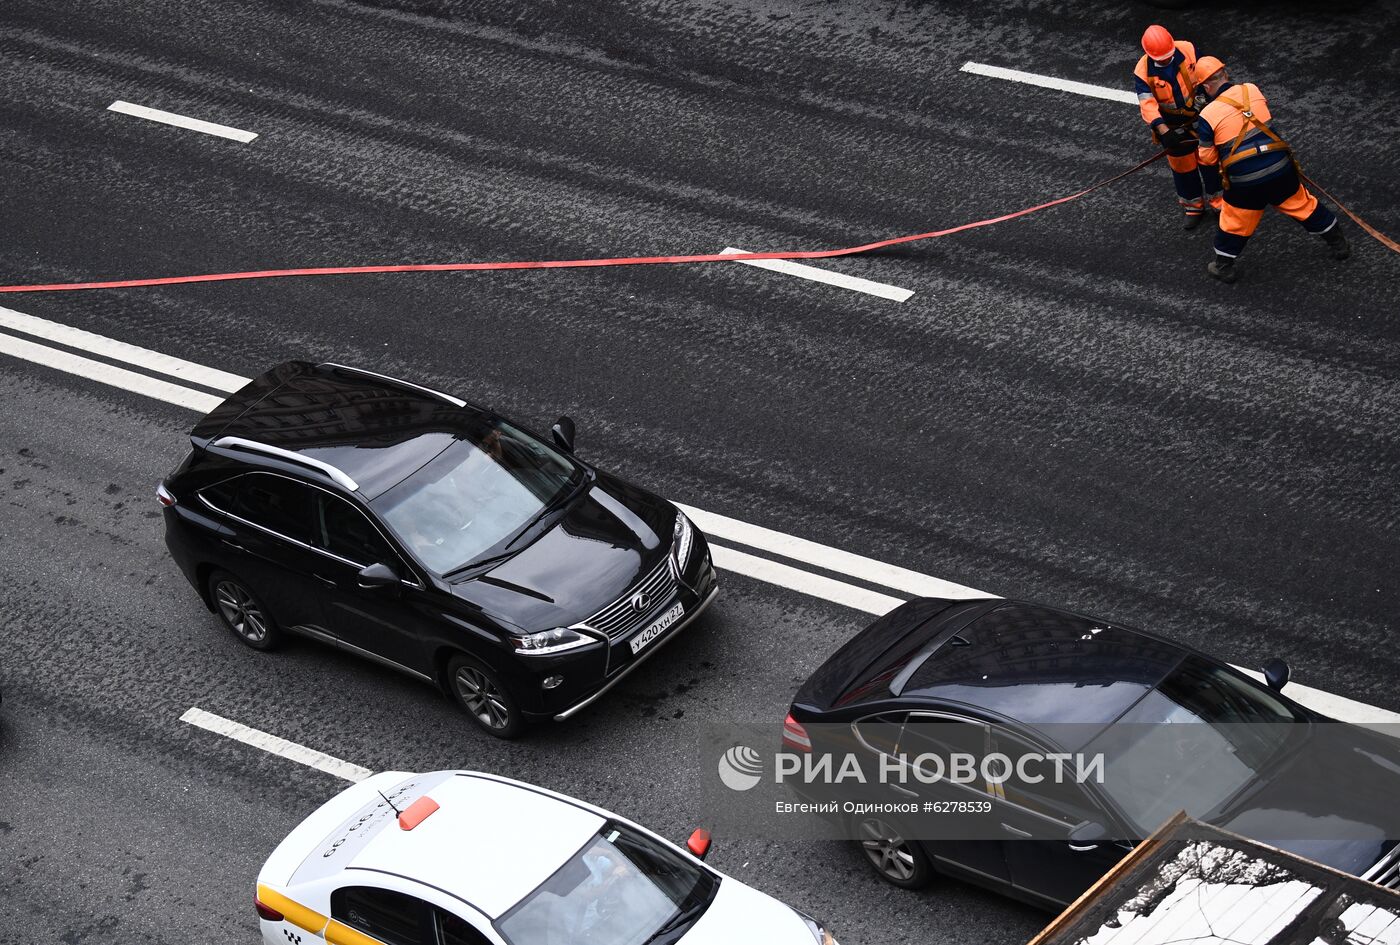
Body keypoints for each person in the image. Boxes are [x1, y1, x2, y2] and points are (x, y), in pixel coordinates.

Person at [1192, 56, 1350, 283]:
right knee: (1303, 205)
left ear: (1205, 87)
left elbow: (1207, 159)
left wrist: (1214, 187)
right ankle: (1338, 243)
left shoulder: (1207, 115)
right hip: (1279, 169)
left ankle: (1223, 266)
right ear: (1225, 74)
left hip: (1246, 182)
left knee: (1235, 222)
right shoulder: (1251, 90)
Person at [1134, 25, 1223, 229]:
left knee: (1209, 161)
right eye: (1161, 59)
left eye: (1168, 56)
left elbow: (1206, 73)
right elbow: (1147, 104)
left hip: (1201, 117)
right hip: (1172, 127)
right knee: (1183, 169)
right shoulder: (1142, 72)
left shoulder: (1188, 50)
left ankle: (1219, 203)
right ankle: (1193, 207)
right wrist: (1164, 131)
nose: (1166, 61)